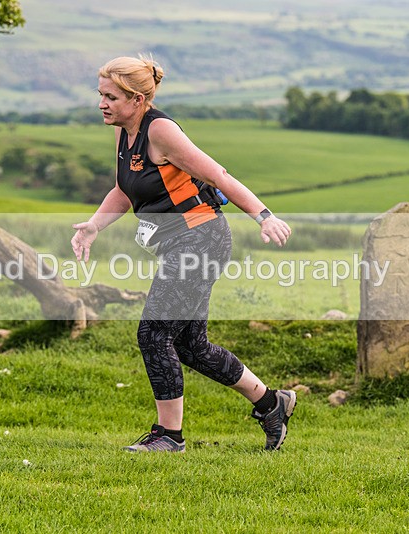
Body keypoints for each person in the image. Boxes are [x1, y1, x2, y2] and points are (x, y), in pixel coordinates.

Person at [71, 55, 295, 453]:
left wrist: (263, 215)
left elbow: (218, 175)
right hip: (182, 242)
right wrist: (93, 226)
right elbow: (125, 190)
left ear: (138, 99)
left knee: (154, 333)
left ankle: (169, 437)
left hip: (200, 239)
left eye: (111, 97)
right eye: (100, 94)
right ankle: (271, 403)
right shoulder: (126, 132)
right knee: (192, 345)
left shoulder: (160, 130)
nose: (102, 103)